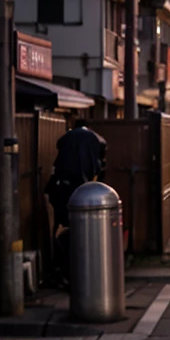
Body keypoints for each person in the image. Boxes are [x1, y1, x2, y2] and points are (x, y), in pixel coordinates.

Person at [44, 119, 108, 285]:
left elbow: (56, 169)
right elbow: (100, 167)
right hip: (87, 191)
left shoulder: (66, 139)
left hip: (64, 191)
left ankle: (64, 269)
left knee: (64, 228)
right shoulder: (96, 139)